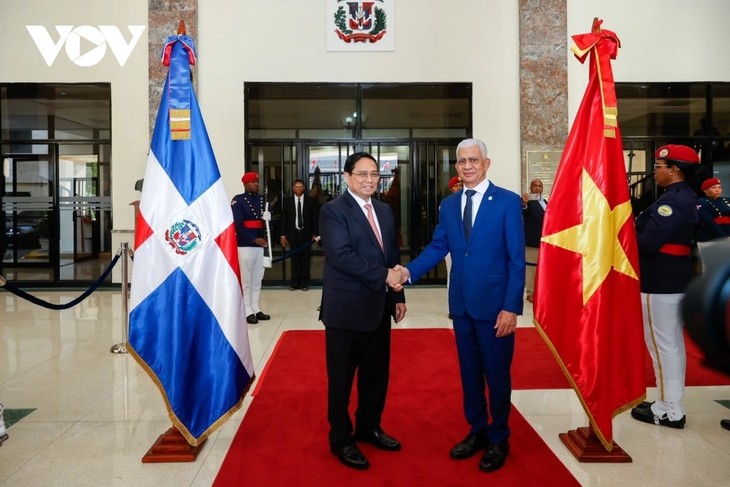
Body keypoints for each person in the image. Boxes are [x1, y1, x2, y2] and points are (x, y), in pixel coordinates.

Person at [398, 138, 525, 473]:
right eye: (461, 161)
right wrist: (407, 271)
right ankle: (477, 430)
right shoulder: (449, 206)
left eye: (473, 160)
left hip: (496, 308)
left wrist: (511, 307)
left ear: (486, 162)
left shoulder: (508, 202)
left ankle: (499, 438)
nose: (467, 166)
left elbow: (516, 260)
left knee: (496, 375)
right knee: (470, 375)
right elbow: (439, 246)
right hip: (462, 307)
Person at [318, 151, 407, 471]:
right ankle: (340, 438)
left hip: (379, 306)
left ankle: (369, 427)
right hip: (345, 310)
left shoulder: (383, 209)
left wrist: (398, 295)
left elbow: (391, 254)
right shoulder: (333, 210)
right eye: (362, 174)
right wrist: (385, 276)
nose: (369, 180)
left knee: (375, 375)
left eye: (374, 174)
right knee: (341, 379)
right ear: (346, 176)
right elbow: (340, 255)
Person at [630, 144, 701, 429]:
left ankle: (668, 410)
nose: (655, 171)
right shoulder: (681, 197)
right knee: (670, 345)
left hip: (661, 282)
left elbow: (647, 242)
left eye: (659, 167)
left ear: (674, 170)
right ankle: (669, 401)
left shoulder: (674, 201)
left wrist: (622, 232)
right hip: (671, 279)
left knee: (662, 347)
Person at [231, 172, 271, 325]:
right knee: (246, 280)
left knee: (257, 279)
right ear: (245, 183)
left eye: (257, 181)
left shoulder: (262, 200)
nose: (256, 184)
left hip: (260, 245)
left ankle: (256, 308)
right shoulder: (238, 200)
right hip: (246, 244)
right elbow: (238, 225)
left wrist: (268, 217)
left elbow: (264, 223)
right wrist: (254, 239)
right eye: (253, 182)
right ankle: (247, 310)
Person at [280, 179, 319, 291]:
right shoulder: (287, 202)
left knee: (305, 259)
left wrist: (315, 234)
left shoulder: (310, 201)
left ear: (304, 188)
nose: (298, 188)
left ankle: (304, 283)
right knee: (294, 259)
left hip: (306, 234)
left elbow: (314, 219)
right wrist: (283, 235)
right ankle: (295, 283)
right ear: (293, 188)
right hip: (293, 234)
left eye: (301, 186)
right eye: (296, 186)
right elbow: (284, 219)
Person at [521, 178, 547, 303]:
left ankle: (541, 291)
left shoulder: (545, 201)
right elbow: (524, 210)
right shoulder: (528, 202)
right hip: (532, 241)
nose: (537, 188)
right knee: (531, 268)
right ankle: (530, 292)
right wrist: (524, 204)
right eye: (535, 186)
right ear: (530, 188)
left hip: (544, 241)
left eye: (540, 186)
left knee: (542, 268)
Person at [696, 177, 730, 270]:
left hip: (727, 237)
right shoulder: (702, 202)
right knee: (710, 268)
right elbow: (708, 222)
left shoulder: (726, 200)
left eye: (719, 187)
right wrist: (724, 237)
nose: (717, 190)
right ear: (705, 190)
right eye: (713, 187)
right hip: (710, 238)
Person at [444, 175, 463, 319]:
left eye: (460, 185)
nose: (459, 188)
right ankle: (452, 308)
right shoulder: (447, 204)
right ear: (451, 189)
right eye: (456, 186)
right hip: (451, 247)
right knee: (453, 275)